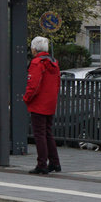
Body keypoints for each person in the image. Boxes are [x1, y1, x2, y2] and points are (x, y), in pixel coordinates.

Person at [23, 36, 62, 174]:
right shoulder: (53, 62)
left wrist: (26, 98)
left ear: (34, 49)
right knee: (48, 133)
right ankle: (55, 162)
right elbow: (57, 83)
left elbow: (33, 85)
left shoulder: (37, 63)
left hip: (39, 103)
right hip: (50, 102)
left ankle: (42, 164)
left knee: (39, 134)